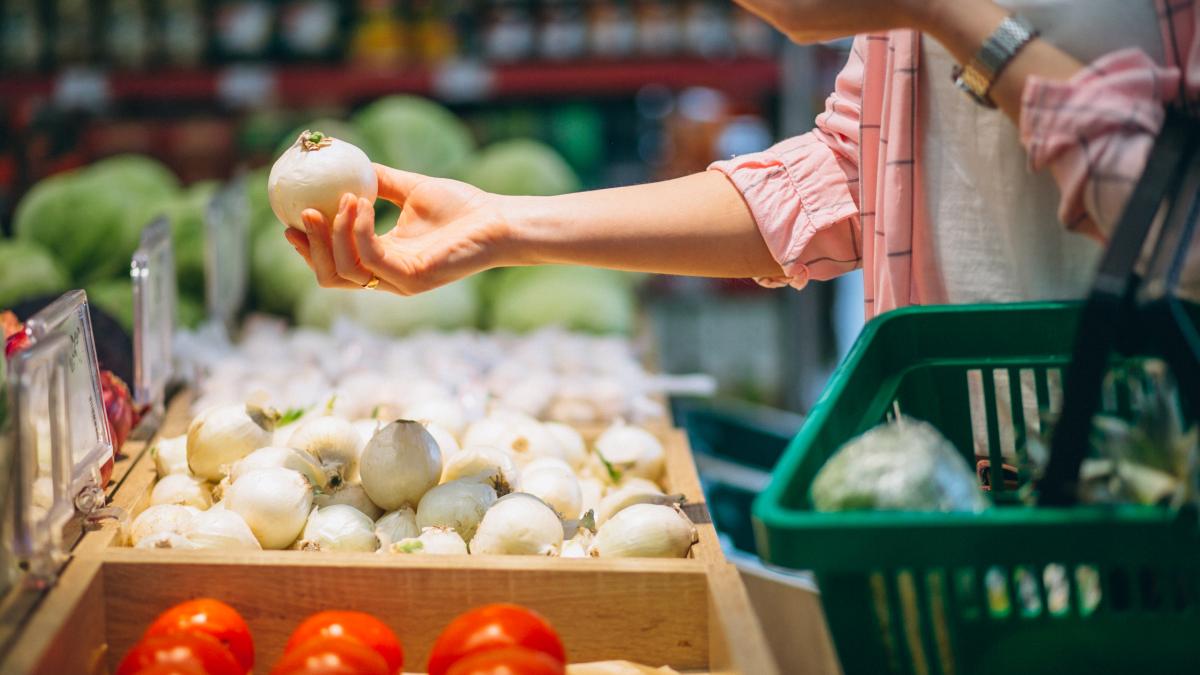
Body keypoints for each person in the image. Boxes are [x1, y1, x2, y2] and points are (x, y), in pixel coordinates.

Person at [285, 0, 1198, 318]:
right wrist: (503, 225)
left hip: (1156, 477)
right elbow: (849, 177)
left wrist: (940, 12)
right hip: (957, 466)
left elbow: (1182, 231)